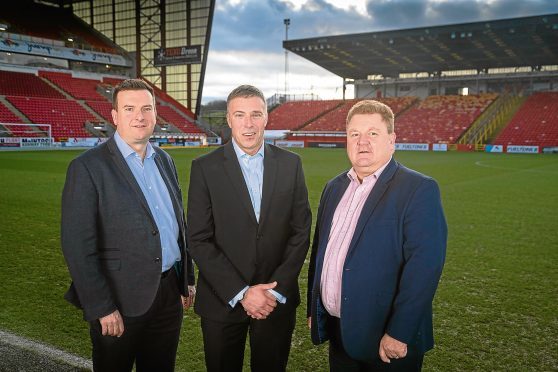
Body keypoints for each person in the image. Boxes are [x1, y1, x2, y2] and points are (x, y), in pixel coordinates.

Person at [61, 78, 195, 372]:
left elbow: (178, 225)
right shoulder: (87, 167)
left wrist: (187, 277)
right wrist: (101, 306)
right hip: (119, 301)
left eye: (147, 108)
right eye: (130, 108)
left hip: (168, 295)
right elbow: (77, 245)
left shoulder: (165, 161)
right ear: (114, 116)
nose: (140, 116)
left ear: (156, 115)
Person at [307, 100, 447, 371]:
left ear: (391, 140)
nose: (362, 142)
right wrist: (316, 308)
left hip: (388, 341)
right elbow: (320, 252)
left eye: (373, 133)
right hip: (341, 334)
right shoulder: (333, 188)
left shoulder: (419, 189)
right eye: (355, 134)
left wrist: (400, 332)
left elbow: (424, 268)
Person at [187, 84, 312, 372]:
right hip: (223, 301)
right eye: (240, 114)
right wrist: (242, 292)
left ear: (267, 118)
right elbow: (199, 238)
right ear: (228, 119)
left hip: (274, 301)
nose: (248, 123)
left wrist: (273, 292)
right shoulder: (204, 167)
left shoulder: (291, 164)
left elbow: (301, 231)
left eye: (256, 114)